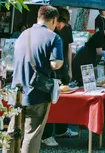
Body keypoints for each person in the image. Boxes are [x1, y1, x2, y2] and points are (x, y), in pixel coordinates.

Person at [3, 5, 64, 153]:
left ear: (38, 17)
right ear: (54, 20)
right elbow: (55, 64)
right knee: (32, 133)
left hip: (16, 91)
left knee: (12, 129)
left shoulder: (23, 34)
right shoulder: (54, 38)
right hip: (37, 92)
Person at [42, 8, 77, 147]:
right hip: (51, 67)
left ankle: (62, 129)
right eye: (59, 23)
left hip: (62, 67)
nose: (60, 26)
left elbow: (69, 48)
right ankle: (47, 134)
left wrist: (69, 68)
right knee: (51, 100)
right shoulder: (49, 30)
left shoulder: (67, 29)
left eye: (62, 24)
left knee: (64, 100)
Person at [72, 20, 105, 84]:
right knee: (79, 81)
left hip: (91, 60)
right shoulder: (100, 35)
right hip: (83, 57)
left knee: (88, 82)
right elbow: (99, 52)